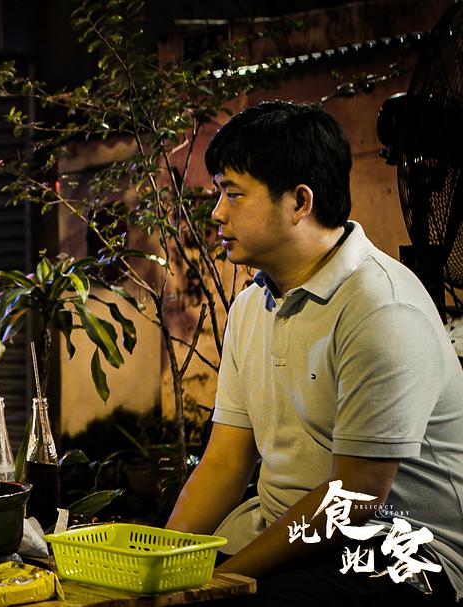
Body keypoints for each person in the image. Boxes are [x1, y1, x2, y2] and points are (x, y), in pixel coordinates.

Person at [165, 100, 463, 605]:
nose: (217, 213)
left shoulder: (380, 307)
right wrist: (159, 566)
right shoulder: (251, 306)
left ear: (299, 202)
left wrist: (226, 581)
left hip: (402, 553)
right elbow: (225, 462)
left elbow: (356, 498)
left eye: (233, 194)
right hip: (287, 535)